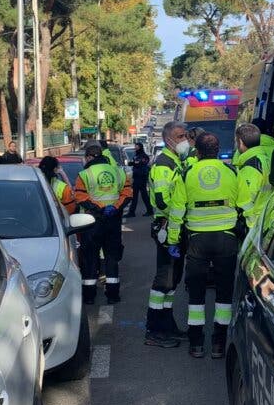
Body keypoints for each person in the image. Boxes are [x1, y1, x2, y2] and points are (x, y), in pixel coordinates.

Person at [167, 131, 241, 359]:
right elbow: (245, 205)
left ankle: (196, 343)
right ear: (218, 151)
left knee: (196, 294)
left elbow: (177, 209)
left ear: (196, 152)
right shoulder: (232, 171)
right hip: (227, 239)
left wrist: (172, 240)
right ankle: (219, 343)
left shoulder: (187, 172)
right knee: (224, 293)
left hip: (197, 240)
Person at [144, 121, 191, 348]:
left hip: (175, 226)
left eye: (185, 136)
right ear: (168, 140)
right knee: (164, 280)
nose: (185, 140)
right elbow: (163, 200)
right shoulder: (164, 164)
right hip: (166, 226)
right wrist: (182, 209)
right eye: (180, 136)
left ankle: (167, 325)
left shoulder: (175, 162)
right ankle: (154, 330)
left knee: (173, 280)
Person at [73, 140, 131, 304]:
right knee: (112, 257)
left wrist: (98, 208)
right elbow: (127, 193)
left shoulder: (85, 174)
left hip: (91, 222)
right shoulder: (118, 172)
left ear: (90, 157)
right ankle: (113, 295)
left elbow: (80, 196)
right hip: (113, 221)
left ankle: (89, 296)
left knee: (90, 258)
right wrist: (114, 207)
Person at [234, 123, 272, 231]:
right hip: (263, 219)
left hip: (252, 225)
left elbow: (245, 200)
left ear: (240, 142)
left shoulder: (251, 167)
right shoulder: (264, 159)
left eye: (237, 141)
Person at [126, 142, 151, 217]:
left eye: (137, 147)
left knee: (143, 196)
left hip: (142, 178)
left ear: (140, 147)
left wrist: (134, 163)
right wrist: (133, 163)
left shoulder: (144, 156)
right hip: (136, 177)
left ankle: (149, 211)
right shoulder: (136, 156)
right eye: (135, 147)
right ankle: (132, 212)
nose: (135, 148)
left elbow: (141, 163)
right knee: (136, 196)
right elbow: (134, 163)